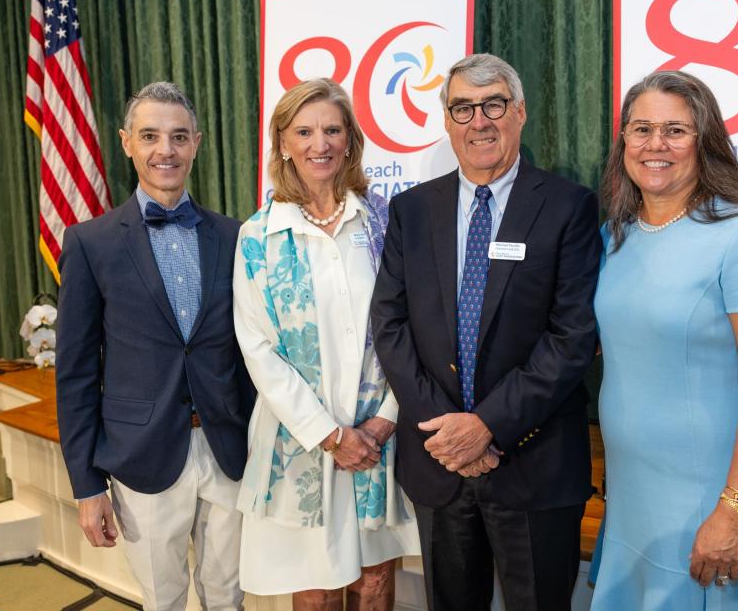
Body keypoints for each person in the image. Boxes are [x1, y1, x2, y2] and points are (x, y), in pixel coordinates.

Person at [371, 53, 602, 610]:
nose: (480, 121)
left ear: (519, 113)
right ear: (447, 121)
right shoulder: (410, 211)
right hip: (439, 463)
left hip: (535, 463)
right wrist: (449, 436)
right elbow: (390, 323)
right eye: (463, 108)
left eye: (494, 104)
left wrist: (488, 427)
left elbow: (572, 337)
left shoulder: (568, 207)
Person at [590, 70, 738, 609]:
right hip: (635, 497)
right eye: (641, 129)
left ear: (704, 142)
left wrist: (734, 512)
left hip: (711, 496)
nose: (655, 145)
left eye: (675, 130)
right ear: (623, 142)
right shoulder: (614, 237)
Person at [56, 81, 252, 611]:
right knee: (163, 600)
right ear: (126, 143)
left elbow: (249, 354)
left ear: (197, 143)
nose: (165, 150)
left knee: (227, 596)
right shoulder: (89, 243)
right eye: (150, 136)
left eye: (178, 137)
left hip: (227, 449)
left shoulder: (236, 236)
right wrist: (86, 484)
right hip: (142, 456)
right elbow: (74, 374)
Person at [233, 78, 419, 610]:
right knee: (315, 593)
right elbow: (258, 349)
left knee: (376, 584)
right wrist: (332, 436)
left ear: (350, 139)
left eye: (332, 129)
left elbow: (412, 325)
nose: (321, 144)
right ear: (284, 143)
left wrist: (385, 417)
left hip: (379, 439)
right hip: (301, 445)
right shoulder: (259, 236)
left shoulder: (385, 220)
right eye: (305, 131)